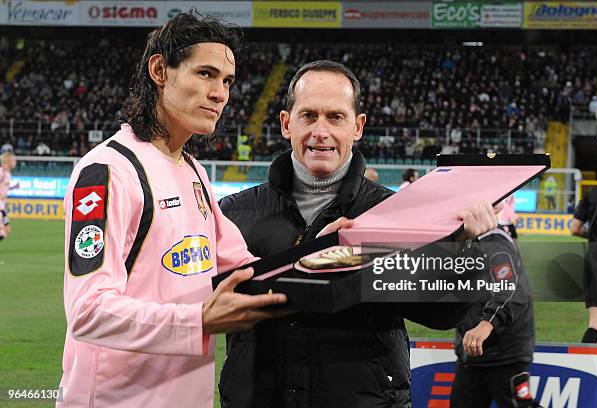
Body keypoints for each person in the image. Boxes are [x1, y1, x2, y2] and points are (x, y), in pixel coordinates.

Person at [218, 60, 501, 408]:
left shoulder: (397, 213)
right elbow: (208, 304)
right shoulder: (232, 213)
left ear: (358, 127)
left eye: (335, 117)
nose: (320, 131)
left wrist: (461, 246)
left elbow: (440, 313)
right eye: (308, 116)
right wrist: (320, 252)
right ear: (285, 123)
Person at [58, 13, 289, 407]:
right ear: (160, 70)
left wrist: (323, 248)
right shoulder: (109, 172)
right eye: (205, 73)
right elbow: (87, 311)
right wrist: (197, 321)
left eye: (227, 81)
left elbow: (246, 268)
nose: (220, 93)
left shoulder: (194, 170)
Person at [450, 229, 536, 408]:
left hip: (504, 354)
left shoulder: (495, 242)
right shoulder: (464, 243)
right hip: (472, 354)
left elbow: (514, 290)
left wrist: (487, 323)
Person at [571, 167, 597, 344]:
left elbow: (575, 229)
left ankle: (583, 365)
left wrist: (593, 234)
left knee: (595, 324)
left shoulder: (593, 193)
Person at [0, 150, 18, 240]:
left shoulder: (7, 173)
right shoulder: (1, 172)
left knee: (6, 231)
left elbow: (3, 188)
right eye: (13, 160)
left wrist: (13, 187)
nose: (15, 162)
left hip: (2, 206)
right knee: (5, 230)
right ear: (8, 161)